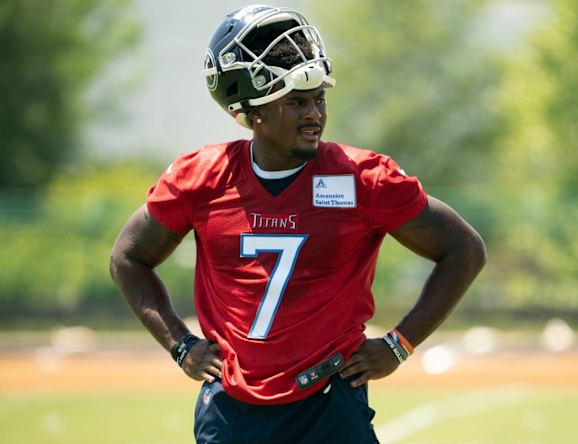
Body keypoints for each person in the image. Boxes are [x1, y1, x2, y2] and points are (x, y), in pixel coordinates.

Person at [110, 5, 486, 444]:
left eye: (319, 98)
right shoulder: (202, 178)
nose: (314, 114)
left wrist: (399, 344)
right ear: (253, 113)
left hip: (329, 402)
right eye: (296, 102)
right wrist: (180, 344)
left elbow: (464, 249)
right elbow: (128, 257)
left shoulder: (362, 179)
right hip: (232, 410)